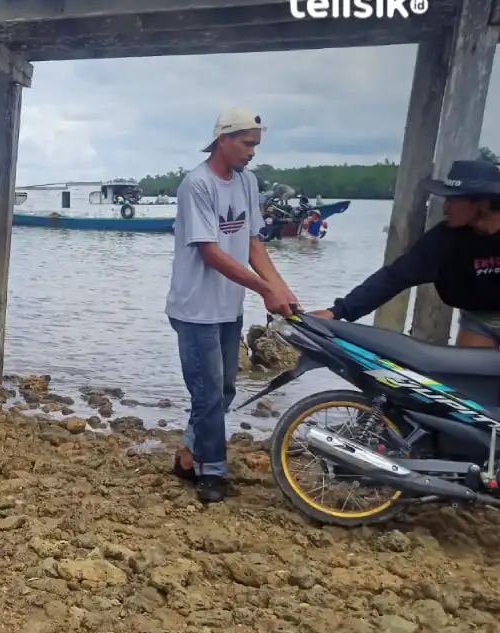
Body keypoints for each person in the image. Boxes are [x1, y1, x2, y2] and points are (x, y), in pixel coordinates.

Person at [165, 107, 297, 503]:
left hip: (228, 307)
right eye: (247, 144)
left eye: (256, 145)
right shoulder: (197, 185)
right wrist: (262, 290)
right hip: (195, 309)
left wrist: (280, 288)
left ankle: (187, 456)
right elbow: (210, 252)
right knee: (206, 394)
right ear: (223, 139)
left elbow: (253, 242)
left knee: (222, 390)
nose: (252, 153)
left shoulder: (248, 183)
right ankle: (212, 472)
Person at [311, 159, 500, 347]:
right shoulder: (444, 240)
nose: (445, 209)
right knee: (466, 375)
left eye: (452, 200)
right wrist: (338, 311)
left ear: (482, 203)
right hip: (479, 319)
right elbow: (394, 277)